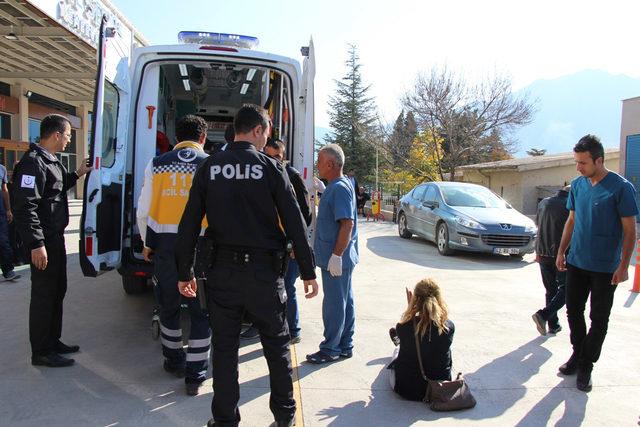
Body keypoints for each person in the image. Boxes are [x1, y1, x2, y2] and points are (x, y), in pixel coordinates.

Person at [175, 104, 319, 427]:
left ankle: (224, 420)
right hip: (265, 276)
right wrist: (308, 271)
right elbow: (296, 223)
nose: (268, 135)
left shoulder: (209, 167)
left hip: (221, 274)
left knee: (224, 351)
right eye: (267, 130)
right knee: (277, 349)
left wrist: (183, 271)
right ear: (256, 130)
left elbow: (188, 225)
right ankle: (285, 418)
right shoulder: (271, 168)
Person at [555, 134, 638, 392]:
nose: (578, 168)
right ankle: (578, 354)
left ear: (599, 160)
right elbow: (571, 221)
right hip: (577, 260)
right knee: (572, 311)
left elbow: (629, 230)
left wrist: (624, 265)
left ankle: (587, 363)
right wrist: (561, 251)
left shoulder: (621, 187)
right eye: (577, 162)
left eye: (583, 163)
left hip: (605, 267)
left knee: (598, 318)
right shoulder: (579, 186)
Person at [136, 115, 211, 396]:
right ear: (202, 138)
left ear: (175, 137)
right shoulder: (210, 165)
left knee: (168, 307)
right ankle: (196, 373)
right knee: (201, 311)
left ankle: (174, 360)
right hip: (201, 251)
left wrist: (147, 241)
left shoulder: (157, 164)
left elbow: (143, 209)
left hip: (165, 249)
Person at [13, 114, 91, 367]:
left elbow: (55, 189)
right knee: (44, 296)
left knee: (57, 292)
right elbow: (25, 206)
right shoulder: (33, 163)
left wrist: (78, 174)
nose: (69, 140)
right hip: (43, 242)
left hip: (54, 240)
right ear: (56, 134)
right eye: (68, 135)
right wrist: (36, 244)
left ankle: (52, 340)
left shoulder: (50, 161)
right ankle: (41, 351)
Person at [306, 144, 359, 364]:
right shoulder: (337, 185)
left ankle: (330, 348)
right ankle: (344, 345)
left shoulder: (338, 188)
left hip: (336, 258)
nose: (317, 165)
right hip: (339, 257)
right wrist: (322, 190)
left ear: (330, 164)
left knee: (335, 304)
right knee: (345, 300)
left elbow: (346, 224)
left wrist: (336, 255)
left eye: (319, 161)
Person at [264, 138, 312, 344]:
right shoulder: (263, 175)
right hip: (270, 244)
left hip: (288, 245)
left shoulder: (292, 176)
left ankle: (293, 329)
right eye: (268, 156)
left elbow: (305, 214)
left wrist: (294, 240)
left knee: (288, 287)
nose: (273, 160)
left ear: (283, 157)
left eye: (277, 157)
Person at [387, 278, 454, 401]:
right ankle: (399, 343)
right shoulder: (448, 326)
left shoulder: (403, 326)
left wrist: (411, 311)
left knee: (397, 352)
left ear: (415, 300)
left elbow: (412, 328)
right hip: (440, 387)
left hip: (407, 389)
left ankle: (398, 343)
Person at [531, 185, 570, 336]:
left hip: (542, 252)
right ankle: (544, 315)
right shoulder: (570, 205)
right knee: (567, 290)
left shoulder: (544, 203)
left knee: (550, 290)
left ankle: (553, 324)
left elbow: (538, 224)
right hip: (561, 254)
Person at [0, 163, 20, 281]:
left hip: (1, 212)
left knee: (4, 242)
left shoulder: (2, 169)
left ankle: (8, 271)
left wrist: (8, 210)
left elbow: (4, 189)